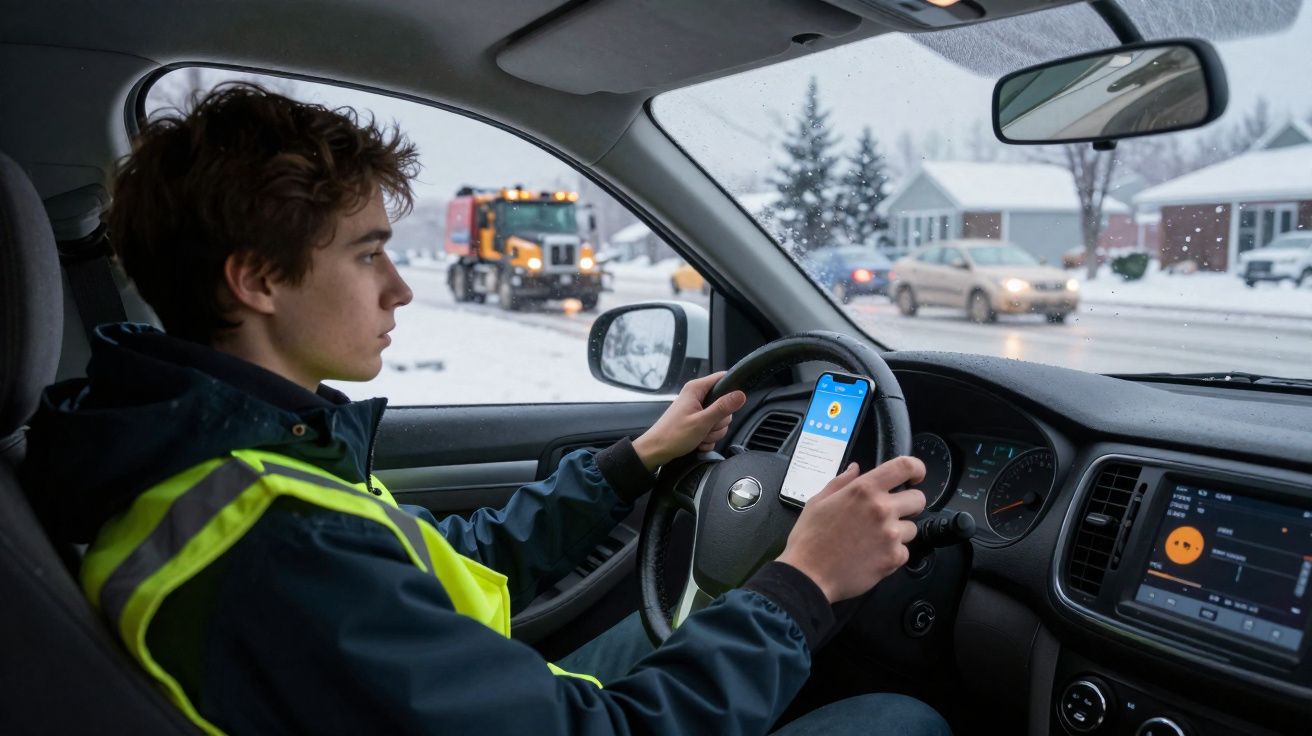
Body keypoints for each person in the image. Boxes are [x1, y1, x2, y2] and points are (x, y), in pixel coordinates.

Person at [22, 83, 949, 735]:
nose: (400, 290)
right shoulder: (274, 540)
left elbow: (441, 565)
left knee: (697, 626)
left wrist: (636, 460)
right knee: (901, 718)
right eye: (368, 254)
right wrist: (803, 585)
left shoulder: (232, 456)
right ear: (258, 280)